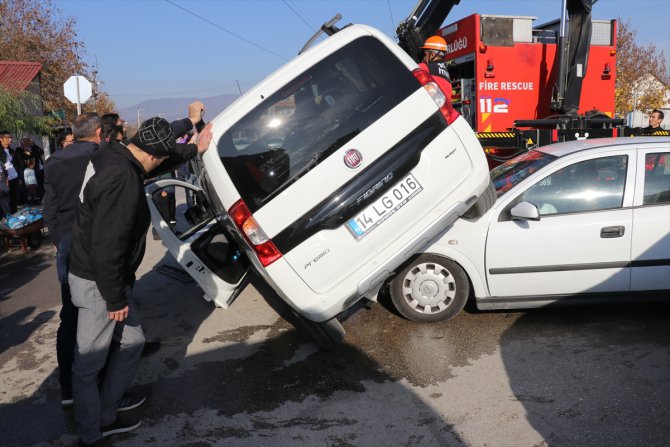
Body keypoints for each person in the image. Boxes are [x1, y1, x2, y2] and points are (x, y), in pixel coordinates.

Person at [68, 117, 212, 446]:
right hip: (98, 282)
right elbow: (107, 249)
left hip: (106, 277)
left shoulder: (115, 152)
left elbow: (156, 156)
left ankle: (107, 412)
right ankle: (91, 433)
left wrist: (192, 147)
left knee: (131, 343)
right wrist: (115, 299)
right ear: (152, 156)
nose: (159, 164)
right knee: (88, 363)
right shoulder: (122, 180)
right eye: (161, 159)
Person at [43, 112, 103, 408]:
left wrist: (58, 238)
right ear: (98, 132)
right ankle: (100, 384)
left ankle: (67, 386)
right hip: (95, 240)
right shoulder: (101, 156)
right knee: (104, 309)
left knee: (70, 313)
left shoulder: (54, 162)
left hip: (66, 240)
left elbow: (49, 206)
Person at [418, 36, 459, 123]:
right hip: (443, 118)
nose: (424, 58)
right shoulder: (447, 76)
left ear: (432, 55)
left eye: (425, 54)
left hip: (429, 115)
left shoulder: (424, 68)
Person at [0, 130, 21, 213]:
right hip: (4, 180)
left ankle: (14, 221)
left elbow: (16, 165)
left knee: (14, 201)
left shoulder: (12, 151)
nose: (10, 139)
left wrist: (19, 177)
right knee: (5, 203)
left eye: (10, 137)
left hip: (14, 178)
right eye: (7, 137)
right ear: (1, 139)